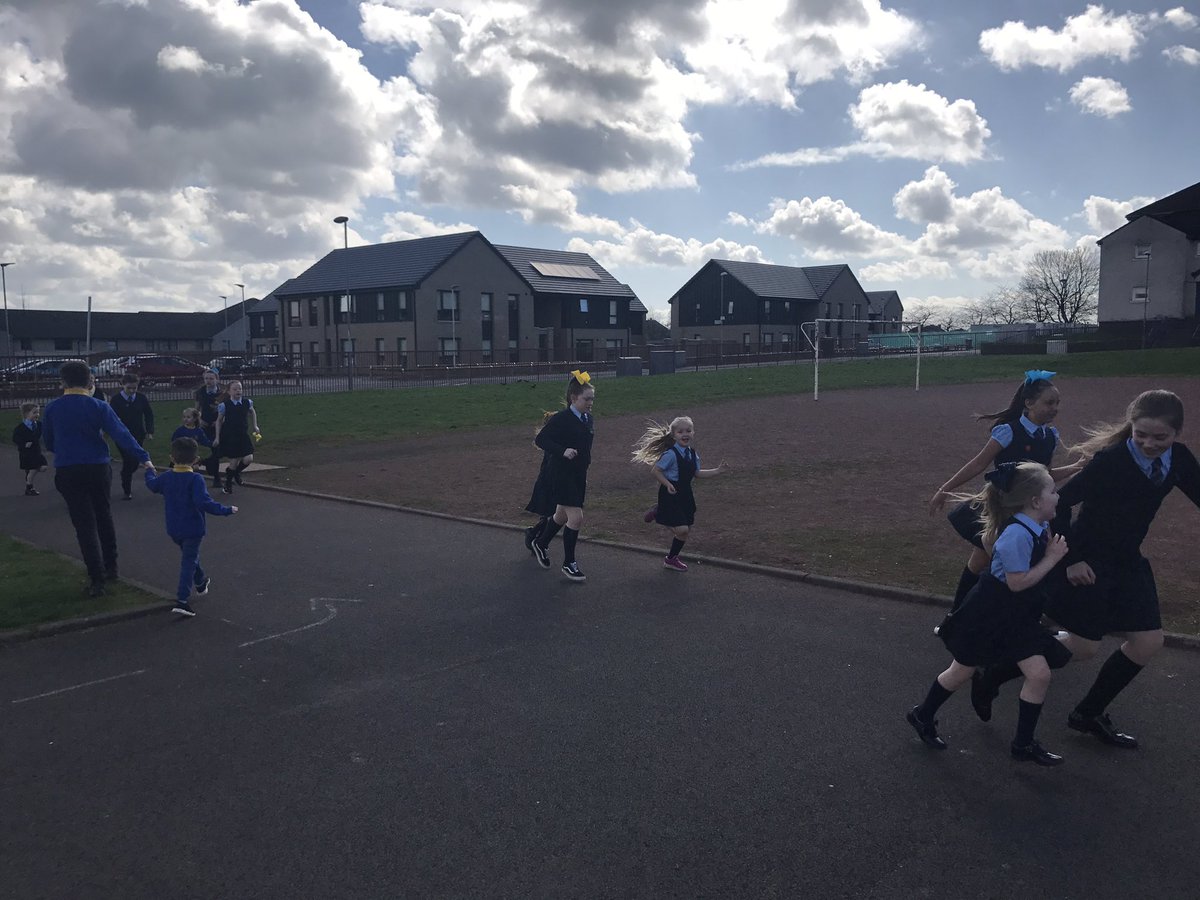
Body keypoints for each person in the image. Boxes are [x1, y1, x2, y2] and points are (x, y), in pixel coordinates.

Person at [979, 390, 1200, 750]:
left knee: (1147, 642)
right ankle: (996, 671)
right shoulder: (1111, 461)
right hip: (1087, 560)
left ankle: (1088, 713)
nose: (1148, 443)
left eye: (1160, 437)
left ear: (1177, 433)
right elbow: (1059, 505)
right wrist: (1071, 558)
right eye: (1140, 434)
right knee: (1083, 647)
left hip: (1128, 561)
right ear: (1131, 427)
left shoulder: (1180, 460)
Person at [907, 462, 1071, 766]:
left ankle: (1023, 744)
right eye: (1052, 490)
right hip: (989, 613)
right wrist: (1051, 559)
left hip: (1016, 615)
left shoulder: (1038, 526)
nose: (1058, 496)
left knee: (1039, 674)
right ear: (1035, 501)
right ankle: (922, 714)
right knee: (961, 671)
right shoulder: (1016, 536)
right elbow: (1017, 582)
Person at [928, 370, 1079, 610]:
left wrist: (1077, 466)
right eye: (1049, 402)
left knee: (985, 561)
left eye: (1057, 403)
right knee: (991, 563)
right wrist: (945, 489)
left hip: (1030, 511)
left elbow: (1045, 475)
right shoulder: (1009, 430)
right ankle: (962, 615)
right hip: (1003, 509)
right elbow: (979, 463)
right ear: (1028, 403)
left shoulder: (1050, 435)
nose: (1055, 408)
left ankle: (968, 616)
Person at [41, 360, 150, 596]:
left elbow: (48, 441)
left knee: (84, 524)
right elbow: (121, 432)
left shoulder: (52, 408)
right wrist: (143, 456)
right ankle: (112, 567)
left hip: (69, 468)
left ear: (63, 382)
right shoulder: (99, 406)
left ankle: (96, 578)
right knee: (103, 516)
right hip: (98, 466)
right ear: (89, 381)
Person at [144, 437, 237, 617]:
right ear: (195, 460)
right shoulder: (195, 479)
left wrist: (149, 470)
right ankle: (182, 599)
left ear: (172, 456)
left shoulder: (167, 478)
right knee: (188, 560)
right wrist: (226, 510)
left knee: (190, 556)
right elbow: (203, 502)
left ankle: (201, 581)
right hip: (192, 528)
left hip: (173, 527)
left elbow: (152, 485)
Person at [631, 416, 728, 571]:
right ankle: (659, 512)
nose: (685, 434)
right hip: (670, 493)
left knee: (685, 531)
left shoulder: (692, 454)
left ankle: (671, 559)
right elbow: (656, 471)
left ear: (693, 433)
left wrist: (718, 471)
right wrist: (668, 484)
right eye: (680, 431)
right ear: (674, 435)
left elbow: (697, 473)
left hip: (686, 494)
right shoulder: (670, 454)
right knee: (682, 529)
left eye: (688, 431)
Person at [530, 370, 594, 581]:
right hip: (559, 474)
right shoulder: (562, 418)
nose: (590, 402)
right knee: (576, 517)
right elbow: (541, 440)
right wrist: (562, 450)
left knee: (561, 515)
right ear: (573, 398)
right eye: (587, 399)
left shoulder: (587, 418)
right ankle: (569, 563)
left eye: (592, 399)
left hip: (577, 474)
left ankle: (540, 542)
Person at [108, 372, 155, 500]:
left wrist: (149, 431)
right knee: (129, 459)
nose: (132, 390)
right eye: (129, 388)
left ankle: (125, 473)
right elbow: (112, 418)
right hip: (122, 435)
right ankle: (126, 489)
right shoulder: (116, 400)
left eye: (135, 388)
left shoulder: (141, 398)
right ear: (122, 385)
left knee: (134, 462)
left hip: (138, 434)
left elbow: (148, 414)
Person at [213, 380, 261, 495]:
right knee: (233, 462)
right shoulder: (224, 406)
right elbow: (219, 421)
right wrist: (217, 437)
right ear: (229, 392)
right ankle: (228, 485)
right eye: (235, 389)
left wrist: (255, 425)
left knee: (248, 458)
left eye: (239, 389)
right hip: (230, 436)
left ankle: (235, 473)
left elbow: (252, 412)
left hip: (243, 435)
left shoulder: (247, 402)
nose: (238, 391)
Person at [522, 441, 556, 557]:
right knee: (553, 514)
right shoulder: (553, 442)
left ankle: (536, 538)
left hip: (555, 481)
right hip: (549, 482)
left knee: (553, 515)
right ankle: (534, 537)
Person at [193, 369, 225, 489]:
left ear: (217, 379)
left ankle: (203, 462)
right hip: (205, 425)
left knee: (220, 451)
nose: (209, 381)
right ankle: (217, 479)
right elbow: (196, 409)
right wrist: (199, 420)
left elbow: (225, 410)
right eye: (206, 378)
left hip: (218, 425)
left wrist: (220, 421)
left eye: (211, 378)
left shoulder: (222, 393)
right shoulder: (200, 392)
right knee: (214, 450)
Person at [12, 402, 48, 496]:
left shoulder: (39, 425)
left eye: (38, 412)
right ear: (26, 414)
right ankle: (29, 487)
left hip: (36, 452)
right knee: (32, 469)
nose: (37, 415)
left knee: (43, 467)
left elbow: (44, 434)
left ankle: (29, 483)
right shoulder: (20, 428)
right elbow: (15, 438)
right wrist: (24, 444)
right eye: (35, 412)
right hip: (26, 453)